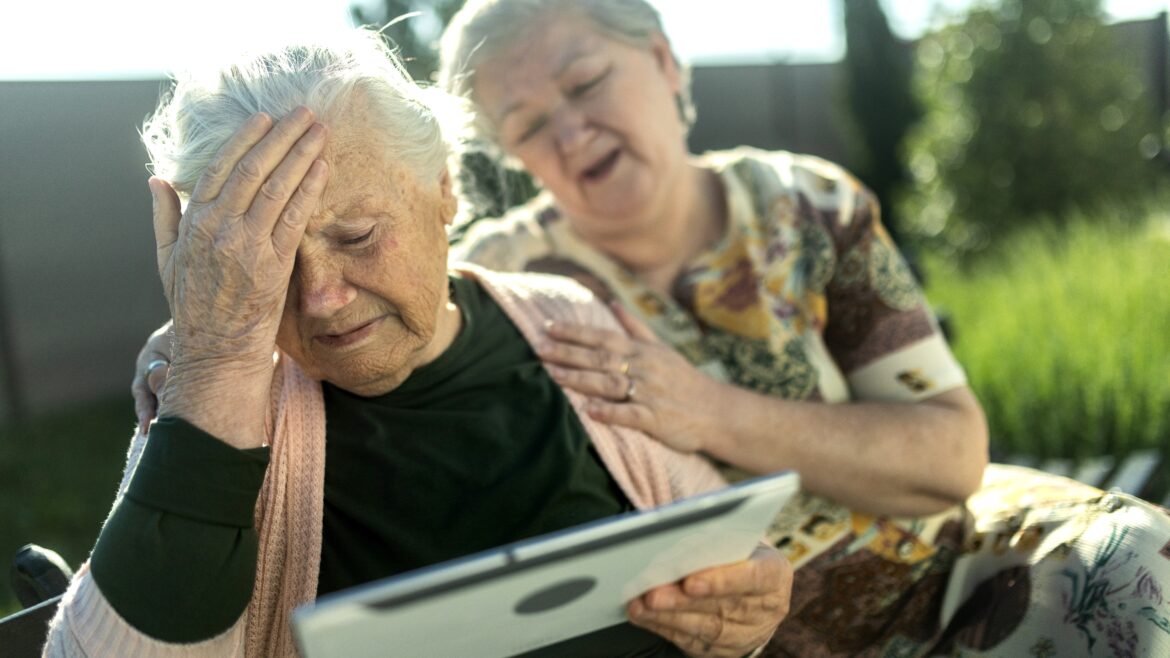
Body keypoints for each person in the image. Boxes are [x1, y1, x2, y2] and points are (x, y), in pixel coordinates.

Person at [130, 2, 1170, 656]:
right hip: (741, 602)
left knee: (1128, 550)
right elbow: (368, 300)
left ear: (668, 63)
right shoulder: (508, 272)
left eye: (586, 84)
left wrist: (708, 408)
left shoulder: (802, 205)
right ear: (494, 165)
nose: (571, 129)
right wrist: (208, 346)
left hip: (892, 541)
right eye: (529, 125)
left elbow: (950, 454)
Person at [45, 31, 794, 658]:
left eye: (358, 236)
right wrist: (218, 357)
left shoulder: (562, 317)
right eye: (266, 264)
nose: (320, 295)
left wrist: (744, 611)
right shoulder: (221, 387)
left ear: (443, 189)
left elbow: (722, 550)